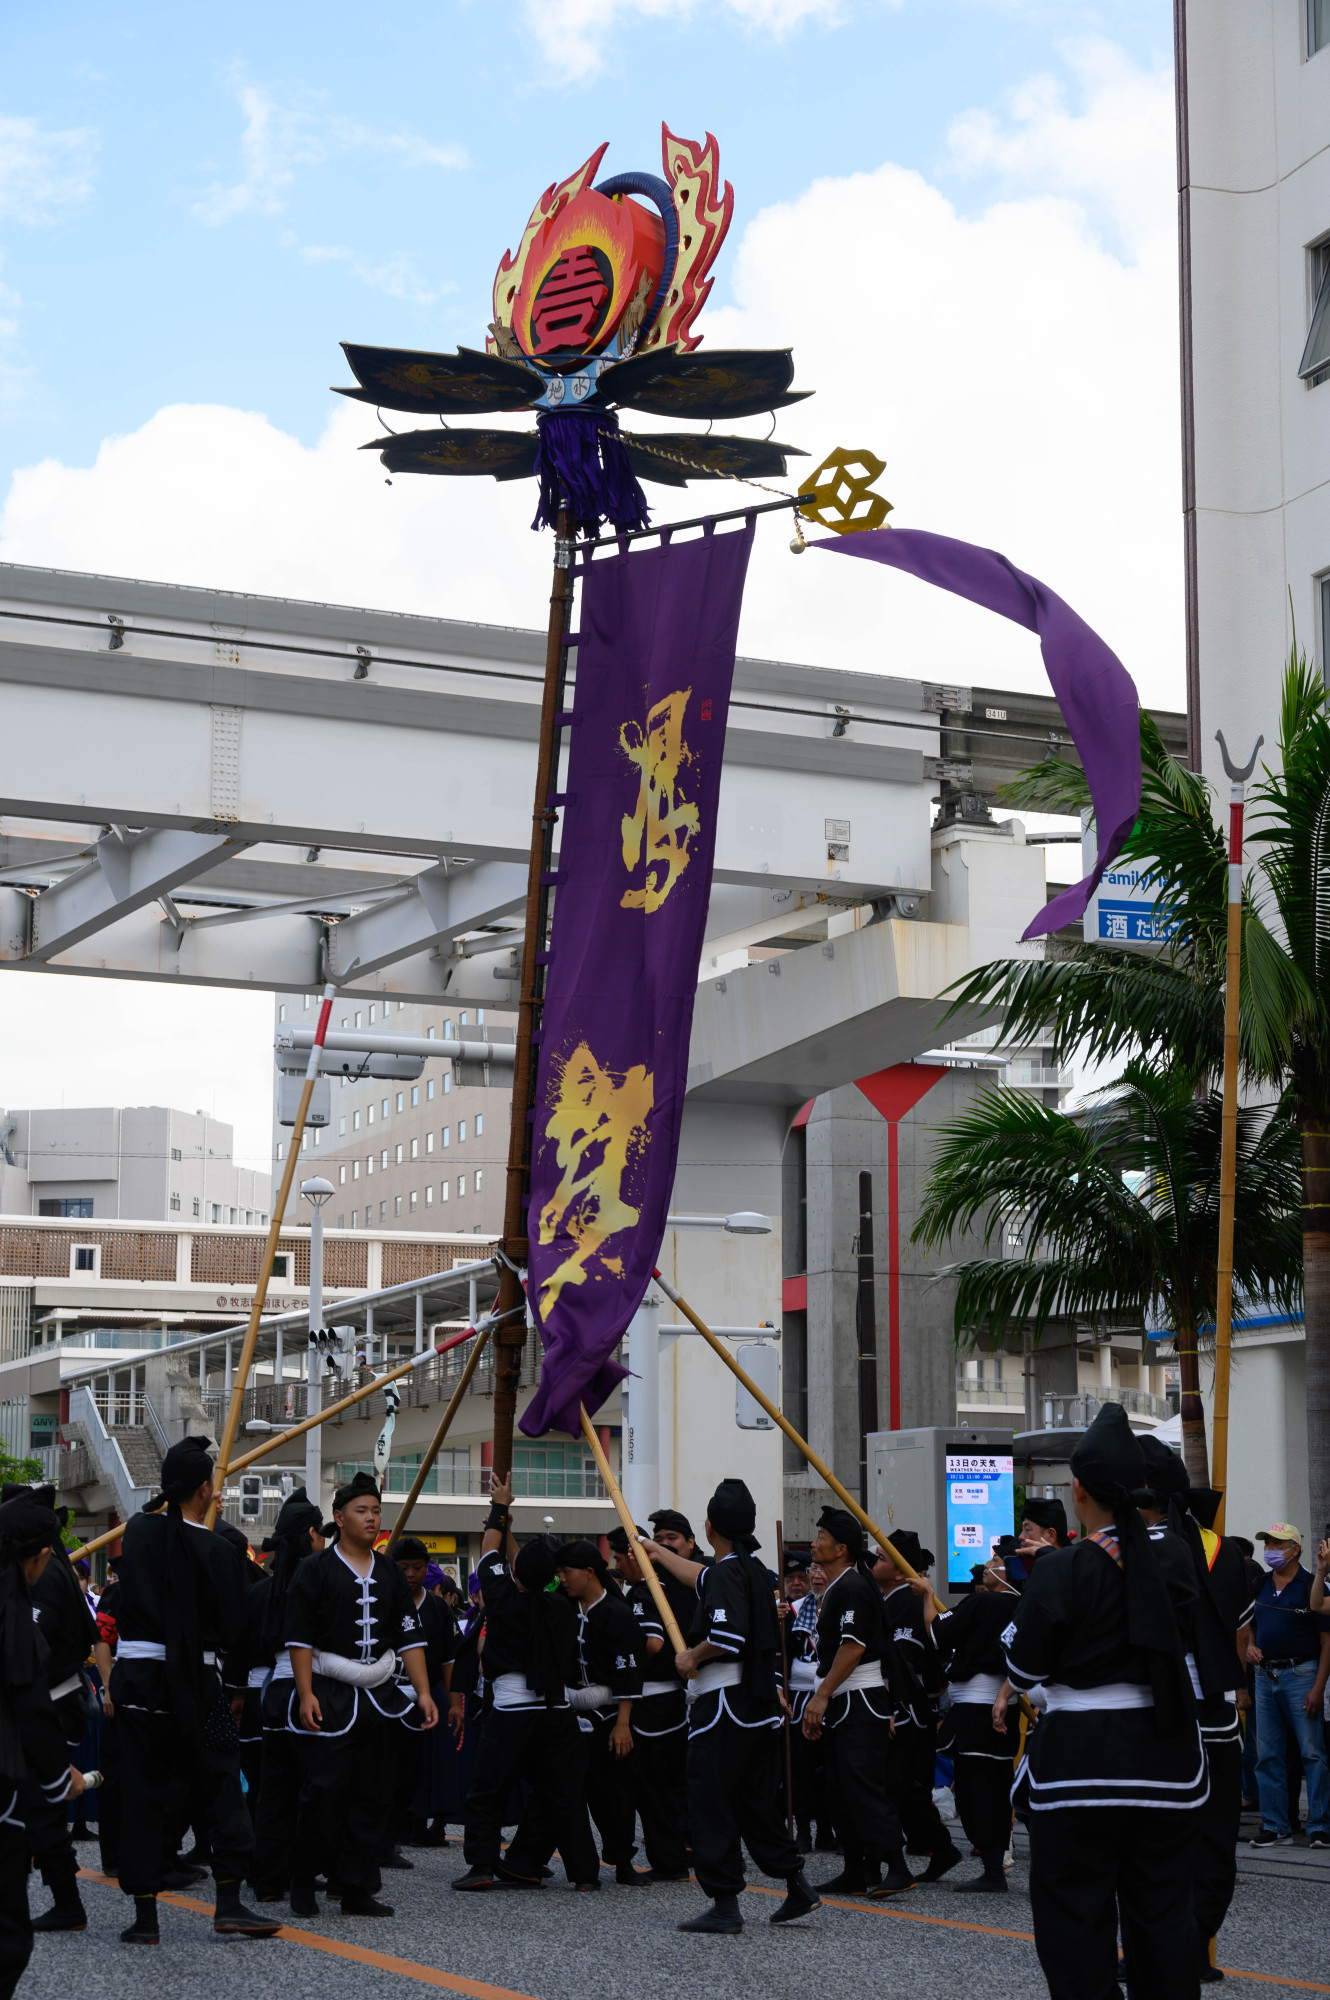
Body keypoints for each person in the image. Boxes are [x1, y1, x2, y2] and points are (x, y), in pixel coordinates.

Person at [1004, 1402, 1207, 2000]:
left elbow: (1021, 1668)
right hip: (1167, 1760)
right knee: (1165, 1921)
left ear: (1079, 1491)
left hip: (1079, 1768)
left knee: (1075, 1925)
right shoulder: (1176, 1557)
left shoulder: (1063, 1568)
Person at [110, 1437, 279, 1944]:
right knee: (222, 1788)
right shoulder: (216, 1550)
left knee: (142, 1793)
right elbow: (235, 1628)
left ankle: (145, 1918)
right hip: (196, 1684)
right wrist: (234, 1685)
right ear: (206, 1488)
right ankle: (228, 1903)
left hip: (138, 1683)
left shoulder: (136, 1534)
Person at [284, 1470, 437, 1918]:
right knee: (323, 1792)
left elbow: (410, 1637)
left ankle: (357, 1887)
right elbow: (298, 1638)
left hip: (381, 1696)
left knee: (373, 1794)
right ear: (339, 1517)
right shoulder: (314, 1570)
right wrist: (305, 1693)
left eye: (375, 1511)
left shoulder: (389, 1570)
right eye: (361, 1511)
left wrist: (424, 1693)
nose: (371, 1519)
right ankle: (303, 1881)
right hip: (330, 1693)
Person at [672, 1477, 821, 1934]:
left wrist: (690, 1656)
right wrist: (653, 1550)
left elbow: (727, 1637)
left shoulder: (724, 1573)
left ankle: (724, 1903)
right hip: (758, 1704)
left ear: (710, 1525)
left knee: (712, 1801)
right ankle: (796, 1885)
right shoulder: (757, 1572)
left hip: (724, 1705)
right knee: (756, 1803)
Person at [1137, 1436, 1254, 1981]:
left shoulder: (1143, 1549)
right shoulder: (1225, 1551)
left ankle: (1160, 1948)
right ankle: (1195, 1945)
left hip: (1160, 1712)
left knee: (1156, 1838)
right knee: (1213, 1838)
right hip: (1219, 1711)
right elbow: (1238, 1639)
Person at [451, 1477, 599, 1893]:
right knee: (566, 1794)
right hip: (557, 1712)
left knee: (488, 1791)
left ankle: (481, 1865)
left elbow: (489, 1553)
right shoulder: (561, 1604)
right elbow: (526, 1569)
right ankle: (585, 1875)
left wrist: (499, 1509)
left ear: (514, 1573)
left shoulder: (501, 1597)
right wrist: (509, 1525)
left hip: (512, 1710)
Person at [504, 1538, 647, 1886]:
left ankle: (622, 1861)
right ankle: (525, 1861)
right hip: (567, 1711)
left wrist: (624, 1723)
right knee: (555, 1787)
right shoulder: (562, 1607)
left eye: (566, 1572)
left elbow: (629, 1671)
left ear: (589, 1572)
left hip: (611, 1713)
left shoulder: (617, 1613)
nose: (561, 1579)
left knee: (611, 1792)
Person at [801, 1506, 913, 1898]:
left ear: (841, 1548)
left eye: (821, 1538)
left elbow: (853, 1647)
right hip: (846, 1700)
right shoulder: (840, 1587)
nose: (815, 1544)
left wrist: (821, 1695)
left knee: (864, 1786)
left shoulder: (852, 1587)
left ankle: (896, 1866)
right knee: (839, 1788)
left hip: (860, 1699)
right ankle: (855, 1869)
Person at [1, 1486, 97, 1935]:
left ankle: (66, 1902)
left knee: (42, 1811)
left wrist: (58, 1771)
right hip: (49, 1702)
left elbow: (28, 1676)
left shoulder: (43, 1578)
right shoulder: (45, 1573)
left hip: (51, 1704)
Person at [921, 1553, 1020, 1893]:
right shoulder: (1026, 1606)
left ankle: (993, 1871)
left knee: (977, 1789)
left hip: (980, 1707)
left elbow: (938, 1634)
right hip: (1004, 1704)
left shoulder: (984, 1602)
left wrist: (925, 1594)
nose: (987, 1567)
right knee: (994, 1786)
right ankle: (995, 1865)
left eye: (995, 1562)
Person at [248, 1489, 324, 1904]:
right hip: (311, 1688)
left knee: (273, 1790)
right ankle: (304, 1877)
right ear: (312, 1533)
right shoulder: (319, 1577)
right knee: (313, 1789)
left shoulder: (265, 1588)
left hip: (272, 1691)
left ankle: (267, 1879)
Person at [871, 1531, 961, 1882]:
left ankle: (890, 1861)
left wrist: (891, 1705)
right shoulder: (891, 1600)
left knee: (898, 1785)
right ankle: (940, 1848)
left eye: (881, 1557)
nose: (873, 1561)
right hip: (906, 1706)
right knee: (906, 1788)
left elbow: (903, 1662)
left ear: (899, 1573)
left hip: (907, 1707)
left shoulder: (906, 1602)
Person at [612, 1529, 693, 1882]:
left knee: (653, 1786)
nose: (618, 1566)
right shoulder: (675, 1585)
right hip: (675, 1696)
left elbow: (654, 1643)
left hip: (654, 1700)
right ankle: (677, 1854)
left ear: (632, 1556)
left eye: (618, 1558)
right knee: (671, 1784)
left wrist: (619, 1644)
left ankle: (669, 1861)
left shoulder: (644, 1592)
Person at [1246, 1521, 1330, 1849]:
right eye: (1268, 1543)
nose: (1271, 1549)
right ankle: (1275, 1825)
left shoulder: (1312, 1585)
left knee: (1312, 1753)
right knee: (1267, 1754)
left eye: (1278, 1544)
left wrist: (1318, 1688)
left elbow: (1327, 1643)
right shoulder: (1259, 1584)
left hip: (1301, 1676)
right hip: (1265, 1677)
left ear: (1295, 1549)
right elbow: (1250, 1625)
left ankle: (1320, 1826)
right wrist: (1251, 1646)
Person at [388, 1536, 458, 1852]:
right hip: (389, 1691)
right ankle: (396, 1824)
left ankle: (426, 1823)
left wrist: (455, 1702)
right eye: (403, 1568)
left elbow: (449, 1658)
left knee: (434, 1760)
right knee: (395, 1761)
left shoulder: (439, 1608)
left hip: (430, 1691)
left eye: (417, 1568)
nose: (410, 1574)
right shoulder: (383, 1602)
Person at [788, 1560, 835, 1853]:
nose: (817, 1577)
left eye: (823, 1570)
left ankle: (830, 1829)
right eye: (813, 1571)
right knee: (801, 1765)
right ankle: (803, 1828)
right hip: (799, 1696)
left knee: (833, 1765)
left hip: (832, 1693)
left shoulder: (841, 1605)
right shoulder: (791, 1611)